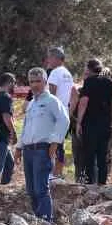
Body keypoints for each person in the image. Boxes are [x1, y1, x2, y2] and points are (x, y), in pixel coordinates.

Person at [17, 67, 70, 222]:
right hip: (28, 150)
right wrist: (19, 147)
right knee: (31, 190)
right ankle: (37, 220)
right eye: (31, 82)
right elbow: (26, 126)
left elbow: (64, 120)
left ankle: (46, 221)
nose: (34, 85)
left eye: (38, 81)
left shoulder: (52, 101)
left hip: (42, 150)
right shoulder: (32, 103)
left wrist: (55, 141)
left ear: (45, 82)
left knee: (41, 188)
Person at [74, 59, 112, 185]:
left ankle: (89, 183)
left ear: (89, 69)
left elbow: (84, 101)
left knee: (89, 155)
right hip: (105, 123)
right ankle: (102, 183)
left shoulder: (89, 82)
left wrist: (78, 122)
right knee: (102, 156)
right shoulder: (110, 83)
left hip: (90, 123)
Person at [45, 47, 75, 182]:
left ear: (57, 58)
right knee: (60, 144)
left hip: (53, 114)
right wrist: (69, 111)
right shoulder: (68, 74)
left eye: (50, 57)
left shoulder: (55, 73)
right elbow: (74, 94)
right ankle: (58, 173)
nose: (48, 60)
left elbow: (51, 93)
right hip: (64, 113)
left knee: (50, 143)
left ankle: (50, 174)